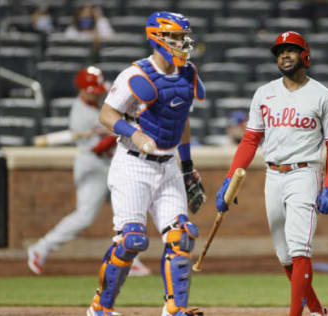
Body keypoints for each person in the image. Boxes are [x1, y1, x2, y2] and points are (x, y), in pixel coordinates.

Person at [215, 31, 328, 316]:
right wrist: (229, 179)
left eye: (291, 50)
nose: (284, 55)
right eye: (280, 51)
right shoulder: (265, 93)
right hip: (272, 176)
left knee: (299, 249)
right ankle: (315, 310)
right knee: (284, 255)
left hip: (304, 174)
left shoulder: (324, 96)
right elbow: (250, 140)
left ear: (305, 55)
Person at [86, 11, 206, 316]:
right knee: (132, 239)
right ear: (158, 38)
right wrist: (135, 134)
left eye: (183, 37)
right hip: (133, 164)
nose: (182, 43)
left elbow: (182, 121)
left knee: (182, 235)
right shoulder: (135, 74)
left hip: (168, 166)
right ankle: (101, 308)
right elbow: (106, 115)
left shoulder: (188, 72)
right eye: (176, 37)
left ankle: (174, 308)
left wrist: (188, 168)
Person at [27, 66, 151, 278]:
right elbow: (97, 148)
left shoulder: (98, 107)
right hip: (92, 165)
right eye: (91, 90)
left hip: (111, 165)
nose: (96, 93)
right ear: (82, 89)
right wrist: (119, 131)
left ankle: (130, 259)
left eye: (97, 90)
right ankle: (41, 248)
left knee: (129, 208)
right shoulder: (80, 114)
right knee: (84, 216)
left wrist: (120, 126)